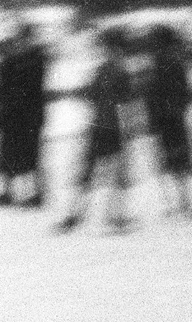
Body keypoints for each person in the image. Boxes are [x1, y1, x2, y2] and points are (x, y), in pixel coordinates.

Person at [56, 25, 138, 232]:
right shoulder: (121, 72)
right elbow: (128, 102)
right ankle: (114, 216)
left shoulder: (102, 70)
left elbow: (88, 94)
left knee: (90, 173)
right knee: (115, 174)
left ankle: (76, 215)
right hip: (112, 129)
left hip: (99, 127)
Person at [141, 24, 192, 216]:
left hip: (167, 119)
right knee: (179, 160)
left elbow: (153, 93)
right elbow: (184, 92)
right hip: (173, 118)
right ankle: (184, 203)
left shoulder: (162, 63)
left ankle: (180, 203)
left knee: (172, 160)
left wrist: (153, 116)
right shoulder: (173, 62)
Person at [0, 22, 48, 207]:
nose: (20, 44)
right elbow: (2, 86)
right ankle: (7, 192)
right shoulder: (10, 62)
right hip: (10, 116)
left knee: (31, 156)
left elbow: (30, 86)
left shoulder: (35, 61)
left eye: (24, 40)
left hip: (29, 117)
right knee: (6, 155)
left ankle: (37, 193)